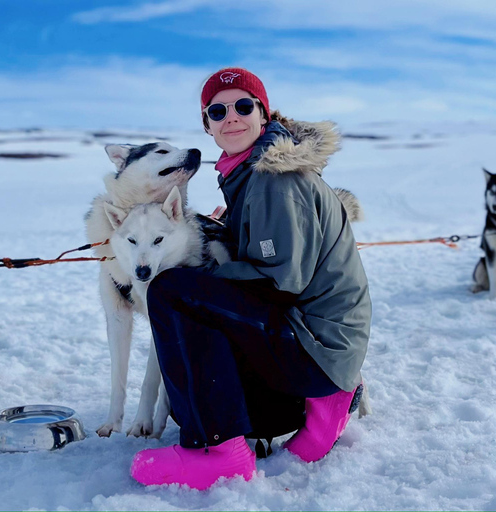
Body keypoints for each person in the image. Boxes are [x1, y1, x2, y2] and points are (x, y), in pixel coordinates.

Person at [130, 67, 372, 490]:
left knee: (173, 292)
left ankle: (216, 451)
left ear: (263, 113)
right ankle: (317, 403)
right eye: (218, 111)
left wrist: (205, 274)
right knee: (193, 303)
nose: (232, 117)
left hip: (316, 346)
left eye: (244, 106)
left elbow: (281, 280)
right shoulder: (249, 174)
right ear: (207, 125)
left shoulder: (273, 179)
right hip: (322, 344)